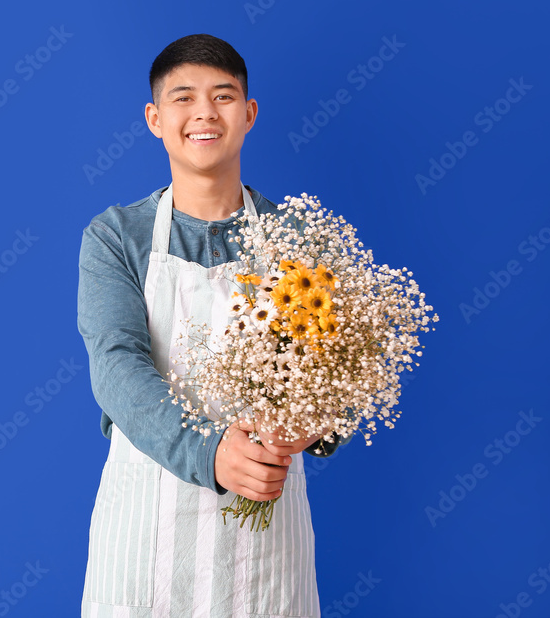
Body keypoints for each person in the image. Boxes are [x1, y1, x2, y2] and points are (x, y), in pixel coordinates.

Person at [76, 34, 351, 617]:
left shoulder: (298, 239)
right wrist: (210, 452)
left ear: (248, 114)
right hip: (145, 534)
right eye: (183, 98)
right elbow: (116, 364)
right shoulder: (116, 236)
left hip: (265, 543)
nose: (204, 112)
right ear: (155, 119)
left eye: (223, 96)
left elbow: (336, 372)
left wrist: (313, 423)